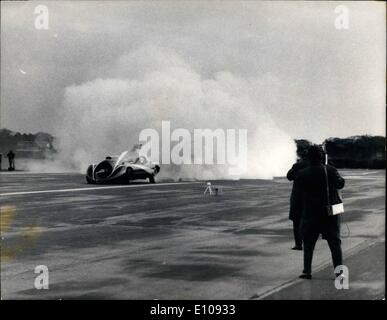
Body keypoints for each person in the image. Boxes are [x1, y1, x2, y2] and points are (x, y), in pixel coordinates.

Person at [296, 145, 345, 280]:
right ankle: (339, 272)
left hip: (311, 213)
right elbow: (341, 184)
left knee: (308, 244)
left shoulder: (302, 173)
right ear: (322, 156)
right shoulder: (330, 170)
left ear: (309, 157)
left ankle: (307, 271)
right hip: (330, 213)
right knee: (335, 243)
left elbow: (299, 192)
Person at [287, 150, 308, 250]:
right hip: (312, 199)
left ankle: (298, 244)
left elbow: (289, 176)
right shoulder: (319, 165)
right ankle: (308, 242)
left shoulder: (297, 166)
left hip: (298, 198)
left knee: (296, 222)